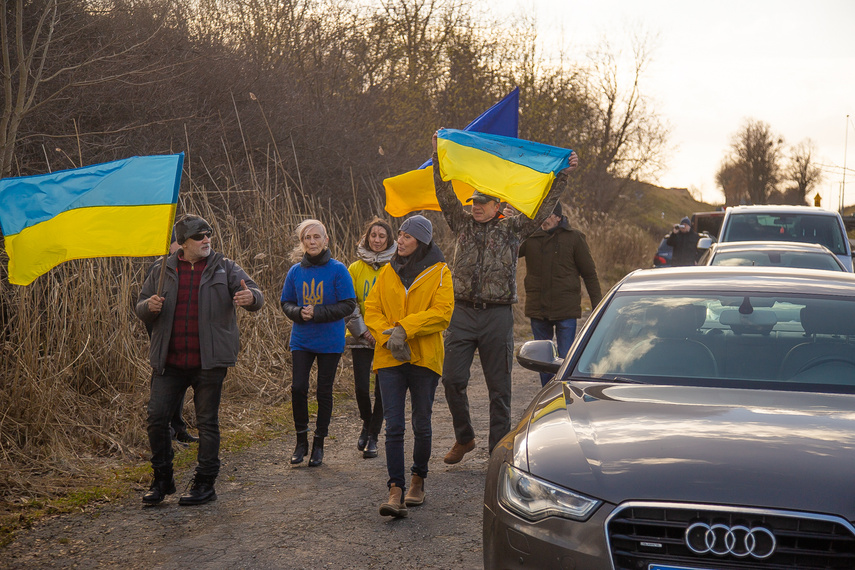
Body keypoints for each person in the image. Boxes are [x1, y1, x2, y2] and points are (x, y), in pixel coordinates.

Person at [431, 131, 579, 461]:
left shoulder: (512, 230)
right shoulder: (462, 224)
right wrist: (438, 155)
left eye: (483, 203)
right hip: (463, 313)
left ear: (498, 205)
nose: (477, 208)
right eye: (474, 203)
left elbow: (541, 209)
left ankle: (498, 450)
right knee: (453, 380)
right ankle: (464, 437)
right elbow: (444, 195)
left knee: (499, 388)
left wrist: (562, 177)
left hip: (497, 315)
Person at [135, 214, 264, 506]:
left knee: (207, 423)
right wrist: (149, 306)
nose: (206, 240)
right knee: (157, 419)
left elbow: (256, 294)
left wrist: (250, 298)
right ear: (182, 242)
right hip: (169, 362)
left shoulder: (225, 267)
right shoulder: (161, 269)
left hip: (210, 362)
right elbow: (140, 305)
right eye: (198, 236)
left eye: (208, 234)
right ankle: (162, 479)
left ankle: (205, 483)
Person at [364, 215, 454, 518]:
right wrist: (389, 336)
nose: (399, 240)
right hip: (390, 356)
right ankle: (396, 490)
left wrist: (406, 328)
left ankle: (418, 479)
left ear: (422, 241)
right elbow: (372, 310)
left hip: (424, 358)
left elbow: (442, 313)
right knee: (394, 425)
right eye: (399, 234)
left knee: (421, 422)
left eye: (406, 236)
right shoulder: (387, 271)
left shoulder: (440, 272)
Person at [280, 219, 357, 468]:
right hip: (302, 339)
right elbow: (286, 302)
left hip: (330, 340)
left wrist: (318, 312)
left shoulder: (338, 270)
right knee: (298, 388)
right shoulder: (295, 272)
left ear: (326, 240)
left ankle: (319, 444)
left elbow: (348, 304)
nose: (312, 242)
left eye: (316, 237)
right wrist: (298, 312)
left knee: (323, 391)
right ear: (302, 243)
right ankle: (301, 441)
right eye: (307, 238)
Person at [516, 201, 602, 385]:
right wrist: (508, 223)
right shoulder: (530, 238)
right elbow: (509, 250)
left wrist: (598, 307)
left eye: (547, 216)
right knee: (541, 359)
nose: (543, 221)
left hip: (565, 309)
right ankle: (547, 391)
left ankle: (564, 391)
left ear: (558, 217)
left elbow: (589, 274)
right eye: (540, 216)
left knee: (566, 358)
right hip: (537, 308)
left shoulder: (575, 238)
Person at [345, 217, 396, 459]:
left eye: (382, 236)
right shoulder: (354, 268)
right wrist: (363, 330)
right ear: (367, 238)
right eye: (373, 236)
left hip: (385, 338)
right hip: (360, 336)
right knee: (361, 389)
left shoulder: (396, 267)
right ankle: (367, 423)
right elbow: (349, 302)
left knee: (382, 391)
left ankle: (374, 436)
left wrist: (382, 333)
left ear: (389, 240)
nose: (376, 240)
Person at [144, 228, 198, 446]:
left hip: (182, 337)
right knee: (164, 383)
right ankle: (165, 433)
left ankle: (178, 428)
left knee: (181, 384)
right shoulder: (159, 268)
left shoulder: (188, 266)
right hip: (163, 334)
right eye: (178, 243)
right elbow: (144, 304)